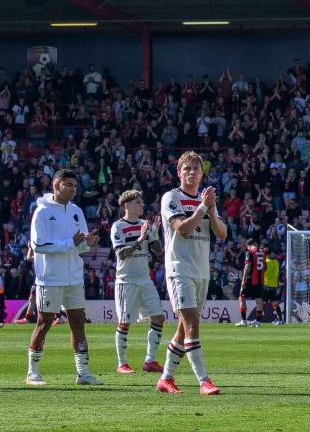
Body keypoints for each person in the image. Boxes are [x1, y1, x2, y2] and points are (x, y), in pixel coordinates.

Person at [157, 152, 228, 395]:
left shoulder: (205, 200)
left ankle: (165, 378)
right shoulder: (172, 197)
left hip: (201, 271)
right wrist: (202, 208)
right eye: (186, 168)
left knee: (182, 327)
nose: (191, 172)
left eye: (195, 169)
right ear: (179, 173)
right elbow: (182, 229)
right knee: (192, 324)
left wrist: (210, 209)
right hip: (179, 269)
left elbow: (221, 233)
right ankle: (203, 381)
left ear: (202, 172)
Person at [26, 169, 101, 386]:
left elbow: (80, 246)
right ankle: (33, 373)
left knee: (78, 323)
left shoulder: (77, 211)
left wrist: (88, 243)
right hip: (50, 278)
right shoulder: (41, 212)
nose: (72, 189)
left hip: (74, 278)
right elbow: (38, 245)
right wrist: (71, 242)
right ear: (56, 185)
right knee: (44, 323)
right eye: (68, 185)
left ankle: (83, 373)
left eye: (74, 186)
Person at [110, 190, 166, 375]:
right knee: (125, 322)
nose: (142, 205)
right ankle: (122, 363)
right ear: (126, 205)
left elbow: (158, 251)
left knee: (159, 317)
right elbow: (121, 254)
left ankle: (150, 361)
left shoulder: (145, 224)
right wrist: (141, 239)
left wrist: (155, 234)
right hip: (126, 280)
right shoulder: (117, 226)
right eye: (138, 202)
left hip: (144, 279)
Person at [236, 241, 267, 327]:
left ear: (249, 246)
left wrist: (243, 279)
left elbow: (247, 266)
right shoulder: (263, 253)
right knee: (259, 300)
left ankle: (244, 321)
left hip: (250, 280)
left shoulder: (249, 253)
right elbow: (265, 267)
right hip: (260, 281)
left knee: (241, 297)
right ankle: (258, 322)